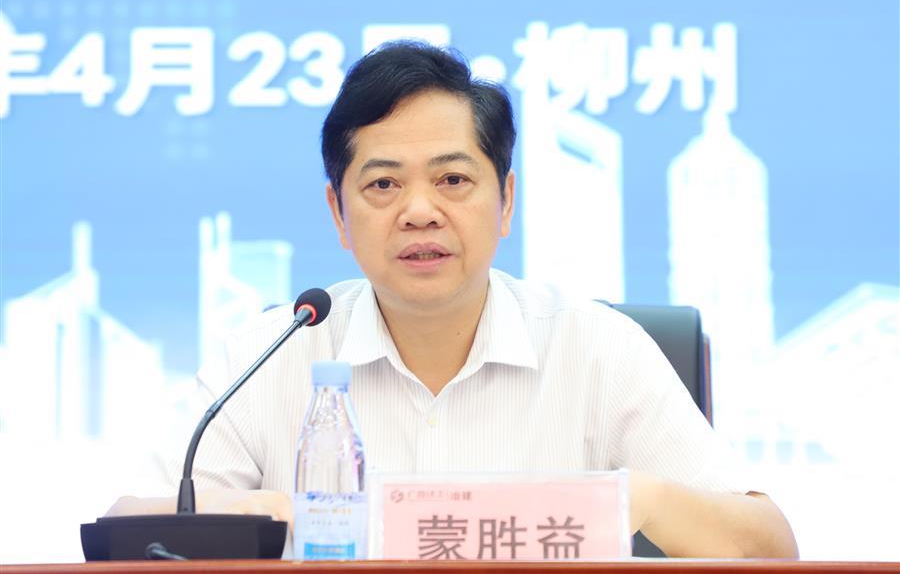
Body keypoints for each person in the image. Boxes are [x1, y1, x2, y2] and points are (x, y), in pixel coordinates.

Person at [108, 42, 798, 558]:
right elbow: (126, 532)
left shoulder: (597, 348)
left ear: (506, 201)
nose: (419, 211)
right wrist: (265, 512)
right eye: (383, 185)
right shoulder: (273, 353)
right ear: (338, 214)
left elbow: (769, 546)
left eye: (453, 180)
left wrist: (635, 498)